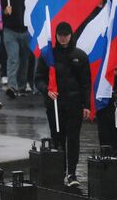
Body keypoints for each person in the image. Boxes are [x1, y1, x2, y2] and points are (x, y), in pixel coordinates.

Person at [34, 22, 92, 187]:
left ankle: (72, 173)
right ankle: (60, 170)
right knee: (58, 138)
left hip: (74, 104)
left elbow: (86, 83)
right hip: (55, 105)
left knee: (73, 139)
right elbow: (38, 78)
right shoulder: (47, 55)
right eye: (60, 35)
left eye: (66, 35)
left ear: (71, 35)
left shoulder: (80, 56)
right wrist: (47, 90)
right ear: (56, 35)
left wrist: (86, 105)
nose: (63, 38)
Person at [1, 0, 30, 98]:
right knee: (13, 59)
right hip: (10, 31)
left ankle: (22, 86)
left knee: (25, 60)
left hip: (25, 31)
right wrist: (4, 11)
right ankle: (12, 86)